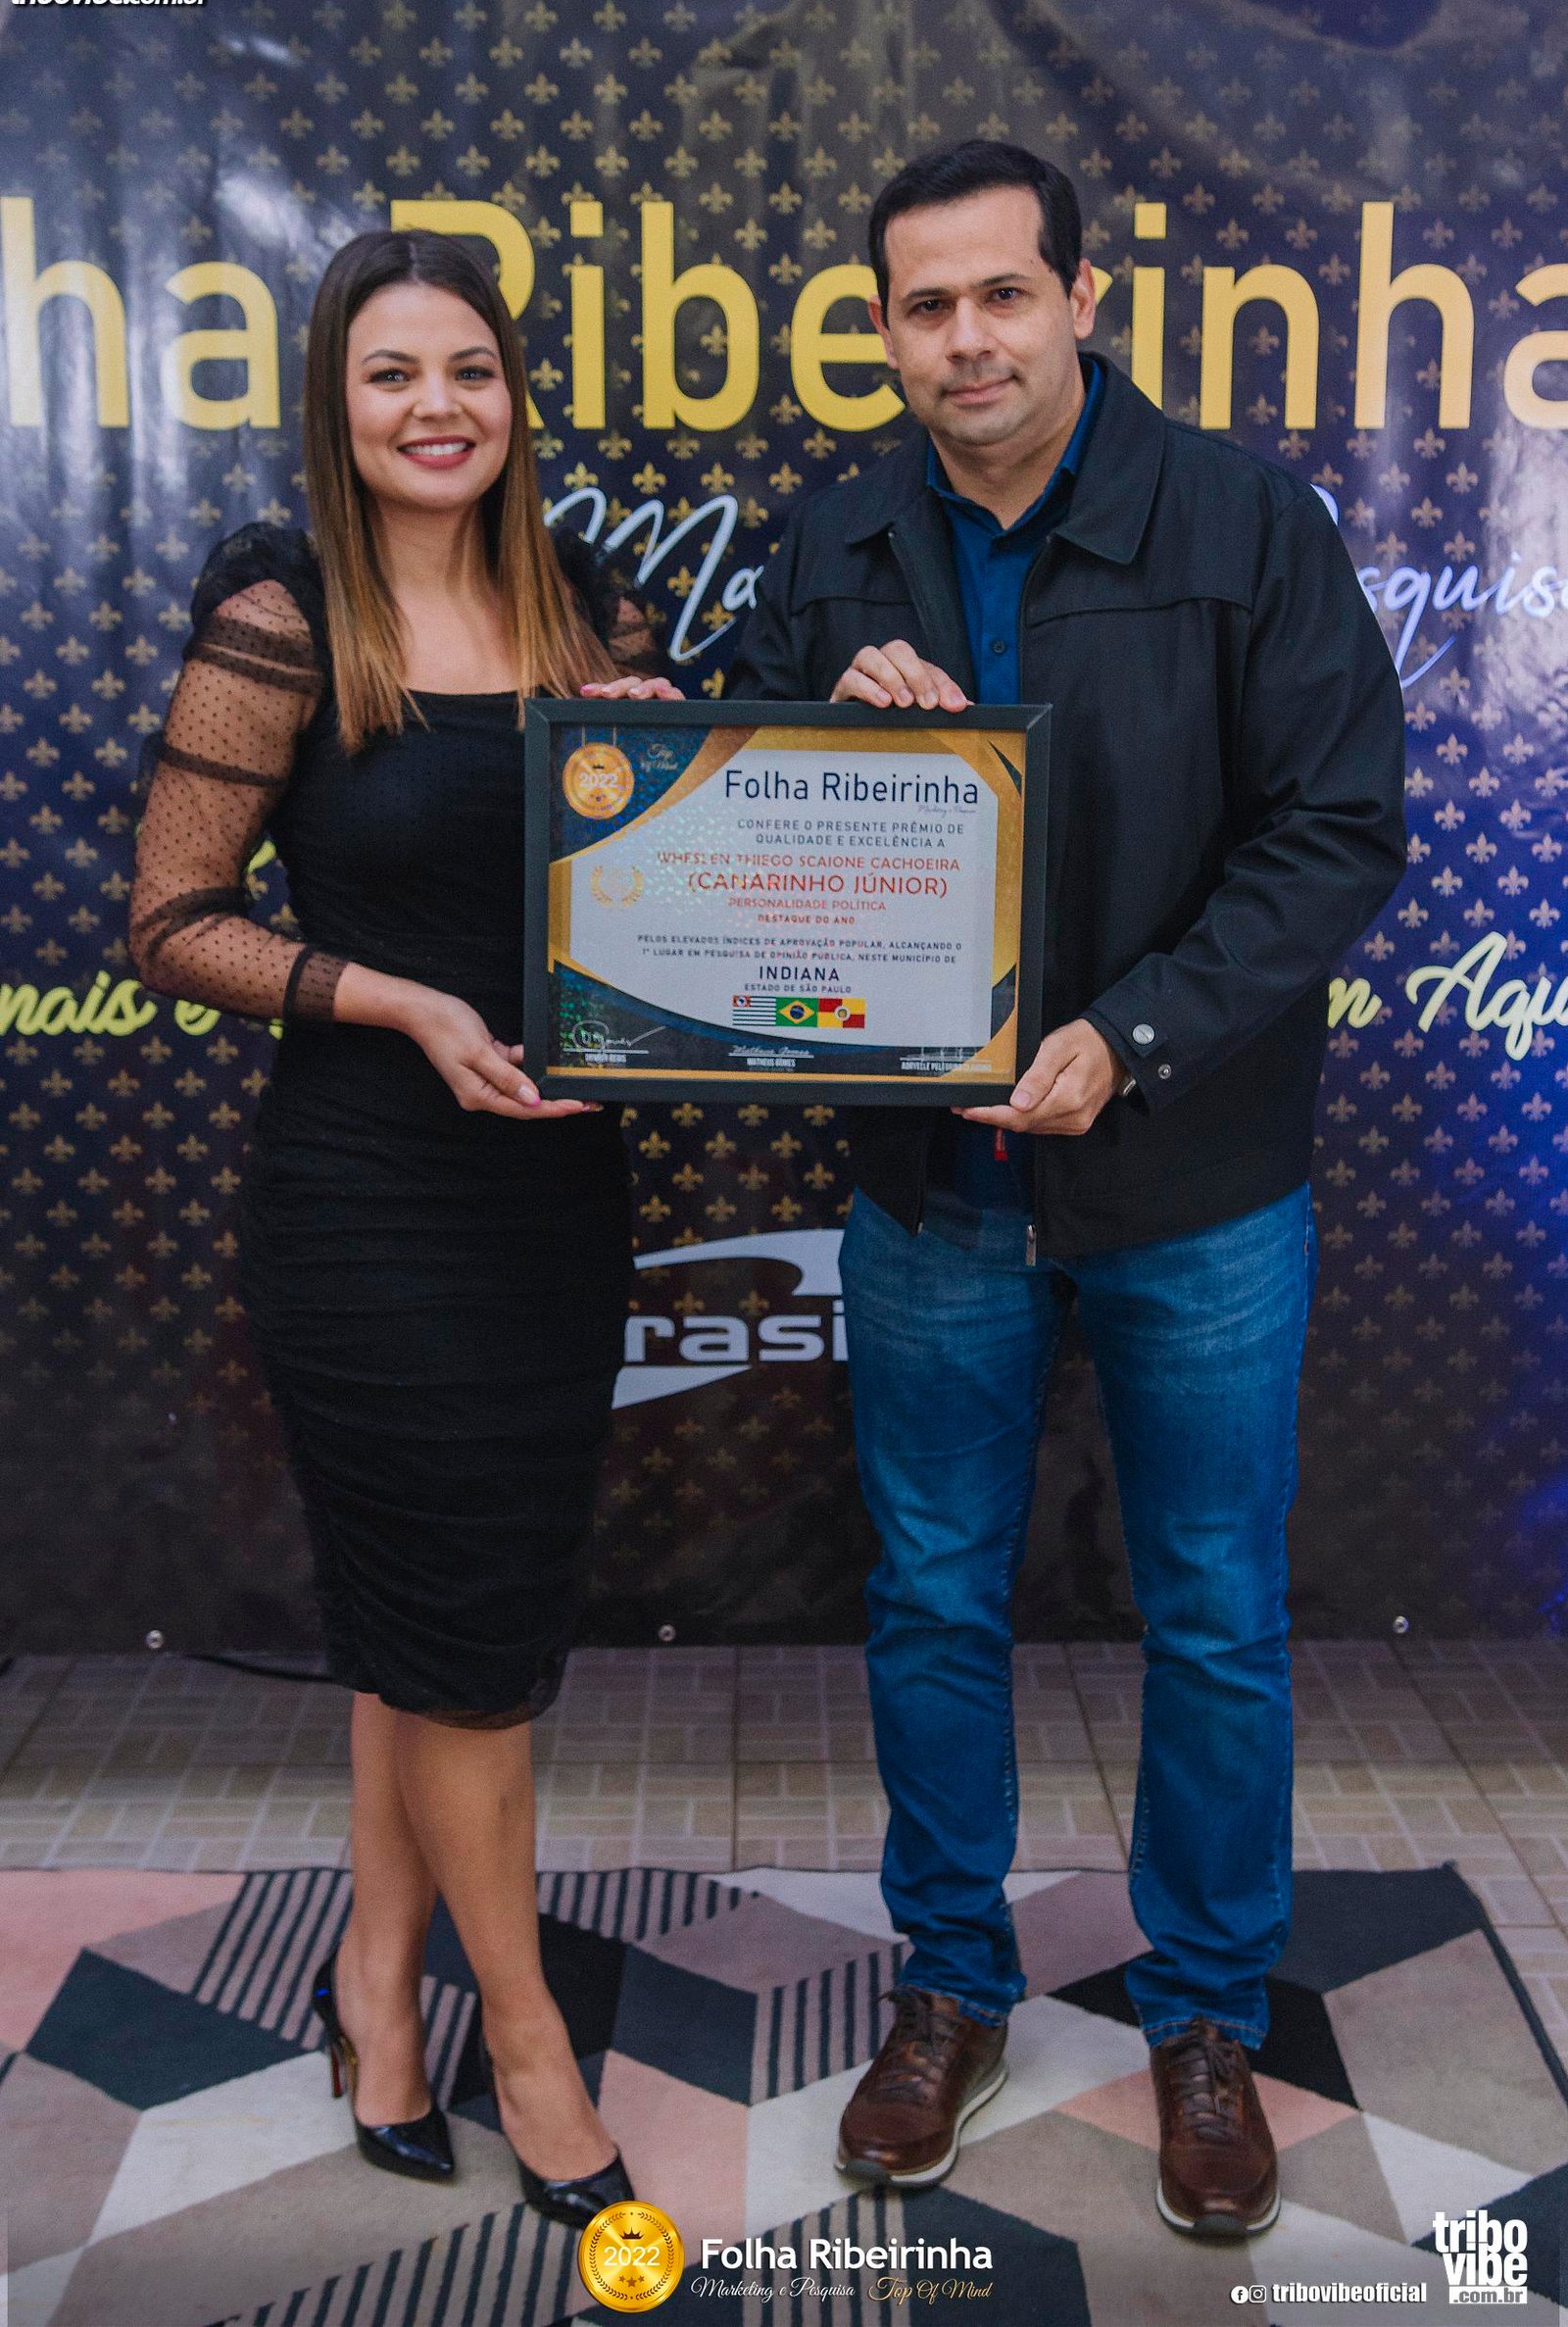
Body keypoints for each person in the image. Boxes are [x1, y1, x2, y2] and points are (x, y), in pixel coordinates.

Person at [724, 141, 1406, 2235]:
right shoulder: (831, 539)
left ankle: (1204, 2017)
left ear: (1081, 301)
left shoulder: (1245, 523)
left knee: (1211, 1614)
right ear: (884, 332)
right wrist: (808, 715)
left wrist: (1135, 1031)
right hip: (933, 1193)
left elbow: (1337, 829)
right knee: (933, 1596)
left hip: (1192, 1179)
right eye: (923, 308)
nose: (966, 342)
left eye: (1001, 295)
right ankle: (949, 1985)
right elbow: (722, 811)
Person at [128, 228, 671, 2227]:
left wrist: (689, 786)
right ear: (334, 405)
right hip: (367, 1203)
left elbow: (661, 890)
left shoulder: (590, 607)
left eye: (469, 369)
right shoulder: (285, 617)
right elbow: (171, 921)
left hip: (556, 1195)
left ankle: (375, 1986)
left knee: (429, 1623)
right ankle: (523, 2041)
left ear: (513, 394)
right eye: (390, 374)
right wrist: (399, 1000)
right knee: (471, 1657)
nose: (436, 406)